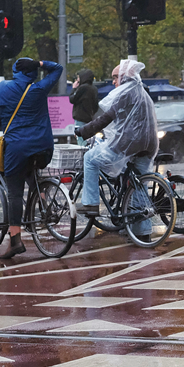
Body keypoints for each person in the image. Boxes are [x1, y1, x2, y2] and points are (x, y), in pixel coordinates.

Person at [0, 58, 63, 259]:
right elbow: (58, 68)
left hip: (16, 148)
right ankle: (44, 206)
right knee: (32, 172)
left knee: (15, 192)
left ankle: (15, 240)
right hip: (43, 147)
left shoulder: (2, 89)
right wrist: (41, 63)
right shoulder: (39, 88)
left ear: (16, 70)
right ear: (33, 72)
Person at [75, 59, 158, 239]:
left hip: (129, 143)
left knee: (90, 159)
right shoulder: (142, 92)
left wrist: (84, 131)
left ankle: (90, 204)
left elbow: (105, 119)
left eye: (115, 77)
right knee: (139, 185)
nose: (113, 82)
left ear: (124, 77)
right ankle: (141, 233)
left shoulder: (125, 93)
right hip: (149, 144)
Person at [69, 69, 99, 147]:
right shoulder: (94, 88)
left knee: (81, 142)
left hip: (80, 119)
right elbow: (96, 105)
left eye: (78, 77)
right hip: (89, 118)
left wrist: (74, 88)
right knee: (89, 141)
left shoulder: (82, 88)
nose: (77, 80)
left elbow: (72, 99)